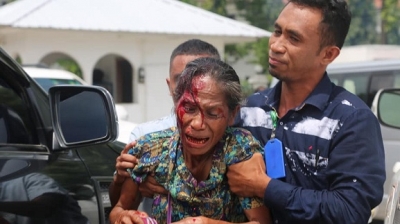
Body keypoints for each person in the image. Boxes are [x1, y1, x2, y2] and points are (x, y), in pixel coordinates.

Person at [226, 0, 386, 223]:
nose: (276, 45)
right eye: (277, 31)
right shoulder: (251, 110)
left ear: (328, 54)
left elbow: (350, 211)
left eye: (294, 38)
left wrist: (266, 188)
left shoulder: (351, 120)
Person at [109, 57, 272, 224]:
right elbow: (119, 208)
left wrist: (205, 223)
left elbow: (261, 222)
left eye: (213, 113)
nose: (197, 124)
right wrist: (124, 217)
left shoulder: (239, 149)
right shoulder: (151, 149)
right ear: (176, 103)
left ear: (232, 115)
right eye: (189, 108)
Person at [108, 39, 221, 214]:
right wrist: (122, 179)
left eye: (200, 78)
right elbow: (119, 208)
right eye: (181, 79)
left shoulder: (237, 140)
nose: (189, 88)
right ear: (170, 86)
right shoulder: (146, 136)